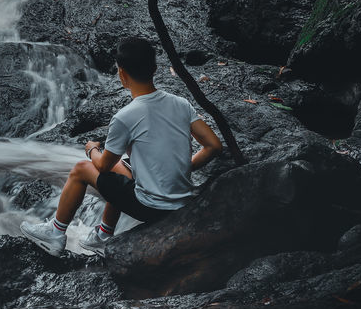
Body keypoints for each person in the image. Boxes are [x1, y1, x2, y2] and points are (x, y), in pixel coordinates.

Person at [21, 36, 223, 256]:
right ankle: (103, 236)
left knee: (81, 170)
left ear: (122, 74)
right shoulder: (180, 103)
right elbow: (213, 146)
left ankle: (56, 232)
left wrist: (91, 150)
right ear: (154, 69)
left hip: (152, 207)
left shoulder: (125, 117)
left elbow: (104, 166)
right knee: (124, 167)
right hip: (181, 201)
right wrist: (182, 167)